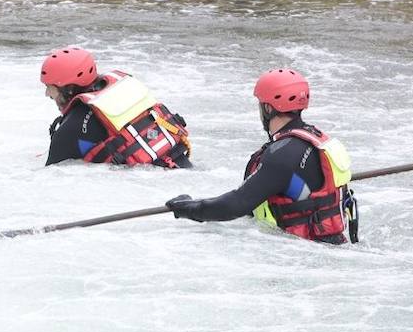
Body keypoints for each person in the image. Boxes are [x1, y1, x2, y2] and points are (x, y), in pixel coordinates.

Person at [166, 68, 358, 243]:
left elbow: (236, 205)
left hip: (303, 254)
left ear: (268, 108)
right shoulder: (317, 140)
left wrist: (187, 209)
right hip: (333, 244)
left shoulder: (282, 154)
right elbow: (296, 192)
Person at [41, 46, 192, 168]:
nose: (47, 93)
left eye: (50, 87)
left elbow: (50, 178)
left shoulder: (68, 132)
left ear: (68, 89)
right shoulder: (121, 86)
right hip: (180, 162)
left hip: (152, 181)